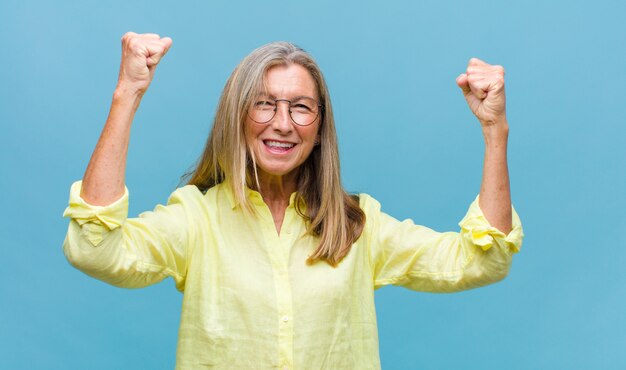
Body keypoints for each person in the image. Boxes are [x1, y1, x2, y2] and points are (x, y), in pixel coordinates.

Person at [62, 32, 523, 369]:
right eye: (264, 103)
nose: (282, 123)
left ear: (320, 126)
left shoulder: (359, 224)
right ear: (238, 116)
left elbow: (484, 260)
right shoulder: (197, 217)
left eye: (300, 107)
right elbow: (94, 249)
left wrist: (493, 132)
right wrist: (127, 96)